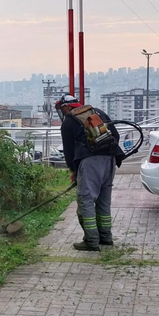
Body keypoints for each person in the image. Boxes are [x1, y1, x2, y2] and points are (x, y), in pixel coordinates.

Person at [55, 95, 124, 251]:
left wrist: (73, 171)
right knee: (104, 201)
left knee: (86, 201)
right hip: (110, 160)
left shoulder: (69, 121)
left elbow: (69, 151)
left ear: (66, 107)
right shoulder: (97, 112)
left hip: (89, 162)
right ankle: (106, 237)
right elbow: (116, 135)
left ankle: (91, 241)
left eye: (62, 109)